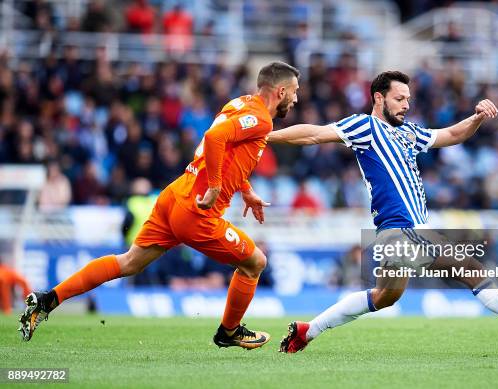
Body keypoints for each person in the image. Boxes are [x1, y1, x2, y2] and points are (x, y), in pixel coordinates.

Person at [268, 70, 498, 352]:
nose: (406, 105)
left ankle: (309, 330)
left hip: (396, 235)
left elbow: (453, 134)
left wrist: (478, 116)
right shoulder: (364, 127)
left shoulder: (409, 132)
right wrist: (266, 135)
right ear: (379, 99)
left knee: (384, 297)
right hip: (404, 230)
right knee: (474, 271)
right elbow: (314, 134)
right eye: (399, 98)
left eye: (408, 98)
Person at [18, 62, 300, 350]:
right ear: (280, 91)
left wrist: (246, 190)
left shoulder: (239, 103)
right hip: (197, 210)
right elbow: (215, 138)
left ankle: (47, 299)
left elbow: (225, 152)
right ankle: (229, 331)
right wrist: (215, 187)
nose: (296, 98)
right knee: (255, 263)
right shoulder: (262, 120)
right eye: (294, 92)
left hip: (175, 195)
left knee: (129, 262)